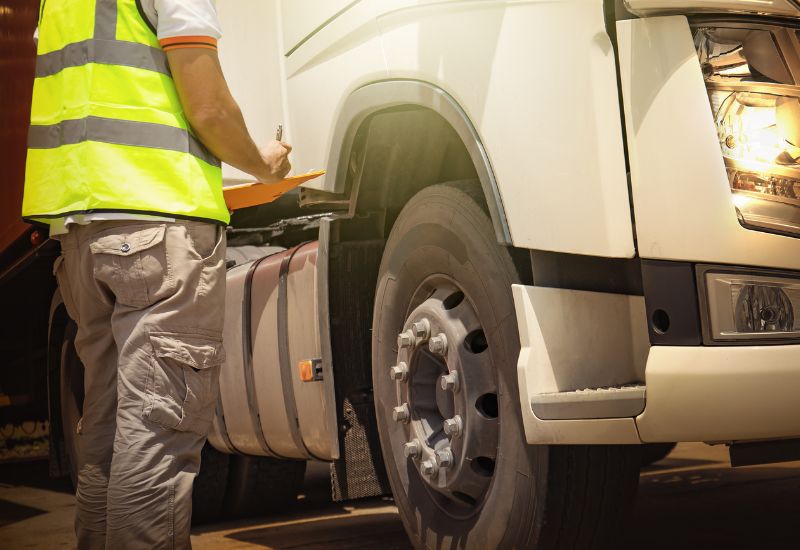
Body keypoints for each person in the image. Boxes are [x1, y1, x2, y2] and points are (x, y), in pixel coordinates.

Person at [22, 1, 290, 548]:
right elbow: (208, 107)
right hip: (156, 225)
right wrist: (263, 164)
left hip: (81, 229)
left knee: (106, 428)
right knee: (156, 434)